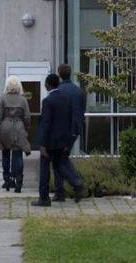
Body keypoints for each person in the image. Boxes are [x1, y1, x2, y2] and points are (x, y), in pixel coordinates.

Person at [32, 73, 84, 207]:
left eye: (45, 84)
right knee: (60, 164)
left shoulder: (48, 101)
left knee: (45, 168)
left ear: (48, 85)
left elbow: (46, 123)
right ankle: (76, 182)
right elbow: (69, 118)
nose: (44, 86)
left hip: (49, 141)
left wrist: (42, 144)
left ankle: (44, 198)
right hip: (63, 139)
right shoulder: (66, 98)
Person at [51, 63, 86, 201]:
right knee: (62, 158)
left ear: (59, 74)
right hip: (75, 130)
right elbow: (81, 111)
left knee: (58, 160)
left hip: (61, 131)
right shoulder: (79, 91)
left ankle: (74, 185)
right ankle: (62, 191)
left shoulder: (59, 91)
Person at [0, 75, 31, 193]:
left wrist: (0, 127)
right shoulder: (23, 99)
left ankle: (7, 180)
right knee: (18, 154)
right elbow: (27, 117)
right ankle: (19, 180)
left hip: (4, 127)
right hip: (19, 127)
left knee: (5, 154)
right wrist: (26, 127)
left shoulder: (2, 98)